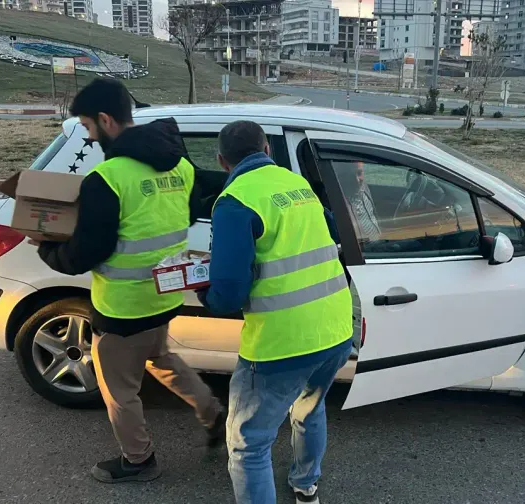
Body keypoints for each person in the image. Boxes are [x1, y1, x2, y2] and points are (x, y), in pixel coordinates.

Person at [35, 78, 224, 484]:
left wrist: (45, 249)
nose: (89, 135)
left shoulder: (107, 179)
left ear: (105, 120)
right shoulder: (181, 165)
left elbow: (86, 253)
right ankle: (212, 412)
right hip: (165, 294)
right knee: (160, 357)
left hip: (121, 308)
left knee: (119, 389)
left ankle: (139, 461)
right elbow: (187, 217)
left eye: (87, 127)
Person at [197, 121, 353, 504]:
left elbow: (229, 295)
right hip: (334, 329)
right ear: (267, 150)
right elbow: (329, 235)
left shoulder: (235, 200)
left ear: (221, 161)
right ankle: (306, 485)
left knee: (249, 444)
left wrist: (206, 292)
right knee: (309, 408)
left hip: (280, 343)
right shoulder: (297, 185)